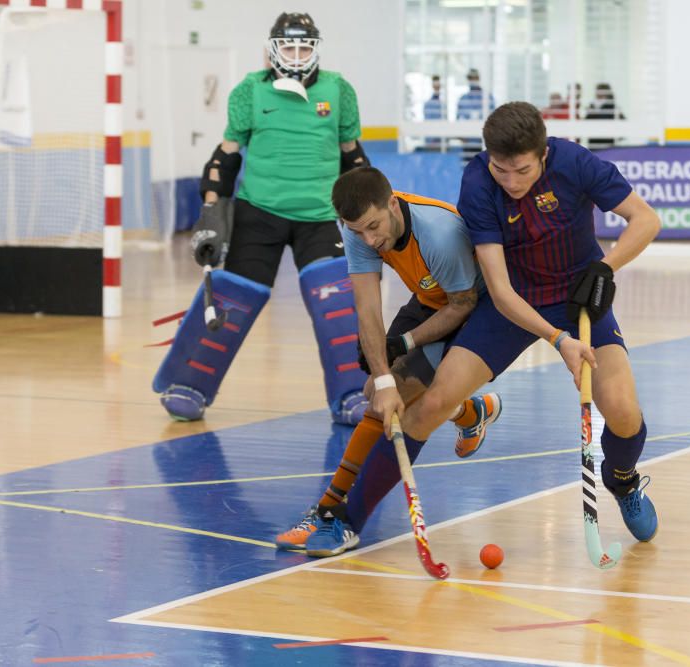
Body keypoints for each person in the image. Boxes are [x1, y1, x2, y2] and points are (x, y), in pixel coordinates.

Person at [303, 101, 662, 557]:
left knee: (623, 410)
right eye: (500, 170)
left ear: (544, 155)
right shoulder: (478, 183)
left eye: (522, 171)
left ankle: (623, 480)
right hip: (510, 303)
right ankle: (348, 522)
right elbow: (498, 287)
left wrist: (605, 268)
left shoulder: (575, 162)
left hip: (578, 298)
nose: (510, 183)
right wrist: (558, 341)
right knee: (431, 403)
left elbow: (646, 220)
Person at [152, 12, 372, 426]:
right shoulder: (249, 91)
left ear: (316, 48)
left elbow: (353, 156)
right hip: (259, 214)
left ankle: (351, 397)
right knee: (233, 300)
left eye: (304, 46)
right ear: (272, 50)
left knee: (338, 306)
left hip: (321, 217)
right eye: (288, 46)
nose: (296, 53)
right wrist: (211, 213)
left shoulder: (338, 90)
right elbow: (225, 157)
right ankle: (190, 386)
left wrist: (372, 214)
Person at [275, 166, 503, 554]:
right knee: (376, 392)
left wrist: (405, 343)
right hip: (430, 301)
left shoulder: (439, 233)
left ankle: (329, 510)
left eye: (373, 226)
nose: (369, 239)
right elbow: (366, 308)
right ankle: (469, 413)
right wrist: (382, 376)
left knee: (396, 398)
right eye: (357, 230)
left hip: (474, 307)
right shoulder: (358, 229)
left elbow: (462, 305)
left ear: (393, 205)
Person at [584, 82, 625, 150]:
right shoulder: (592, 106)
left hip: (607, 144)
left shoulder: (612, 106)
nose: (598, 94)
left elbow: (622, 125)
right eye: (597, 91)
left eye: (601, 91)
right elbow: (586, 122)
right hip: (593, 143)